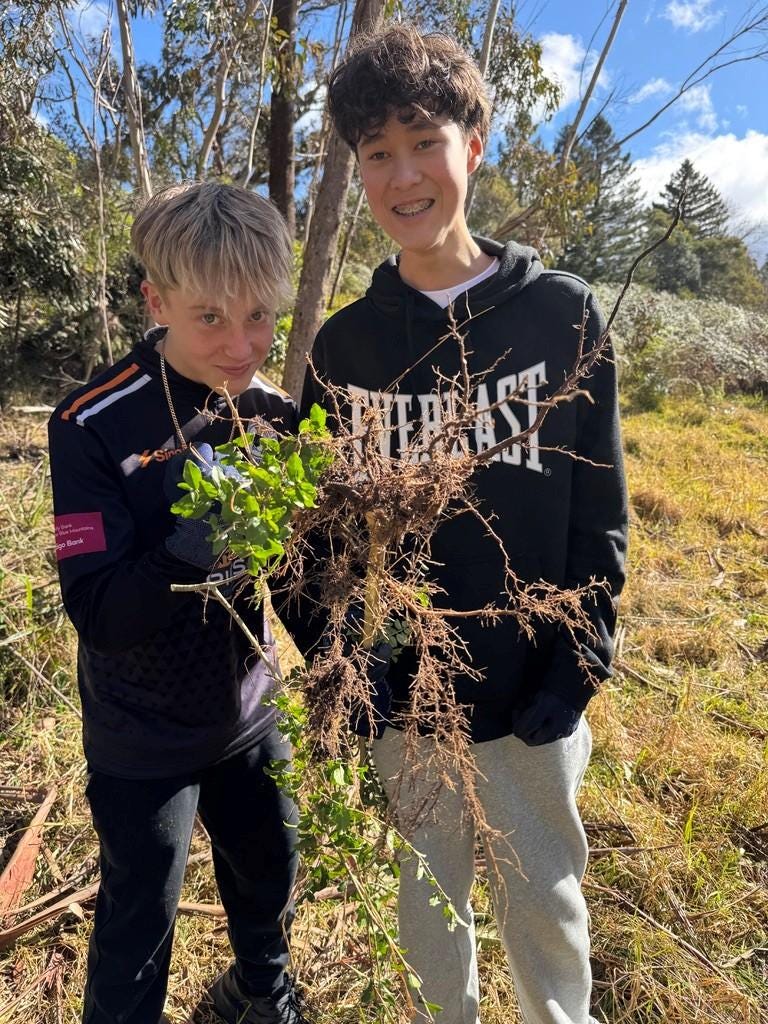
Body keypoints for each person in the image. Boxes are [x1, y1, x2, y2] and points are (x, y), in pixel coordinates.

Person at [298, 25, 629, 1024]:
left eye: (424, 142)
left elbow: (601, 514)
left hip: (532, 699)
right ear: (358, 170)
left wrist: (580, 658)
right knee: (428, 917)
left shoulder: (562, 317)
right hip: (407, 705)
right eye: (377, 153)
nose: (404, 175)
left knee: (546, 909)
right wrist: (340, 666)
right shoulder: (345, 349)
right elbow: (316, 537)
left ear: (473, 146)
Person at [48, 183, 307, 1024]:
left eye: (259, 316)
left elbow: (296, 575)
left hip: (246, 709)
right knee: (141, 915)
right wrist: (188, 550)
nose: (242, 345)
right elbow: (98, 612)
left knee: (272, 867)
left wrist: (353, 651)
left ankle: (259, 996)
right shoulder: (90, 423)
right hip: (140, 731)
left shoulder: (273, 413)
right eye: (210, 318)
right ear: (157, 302)